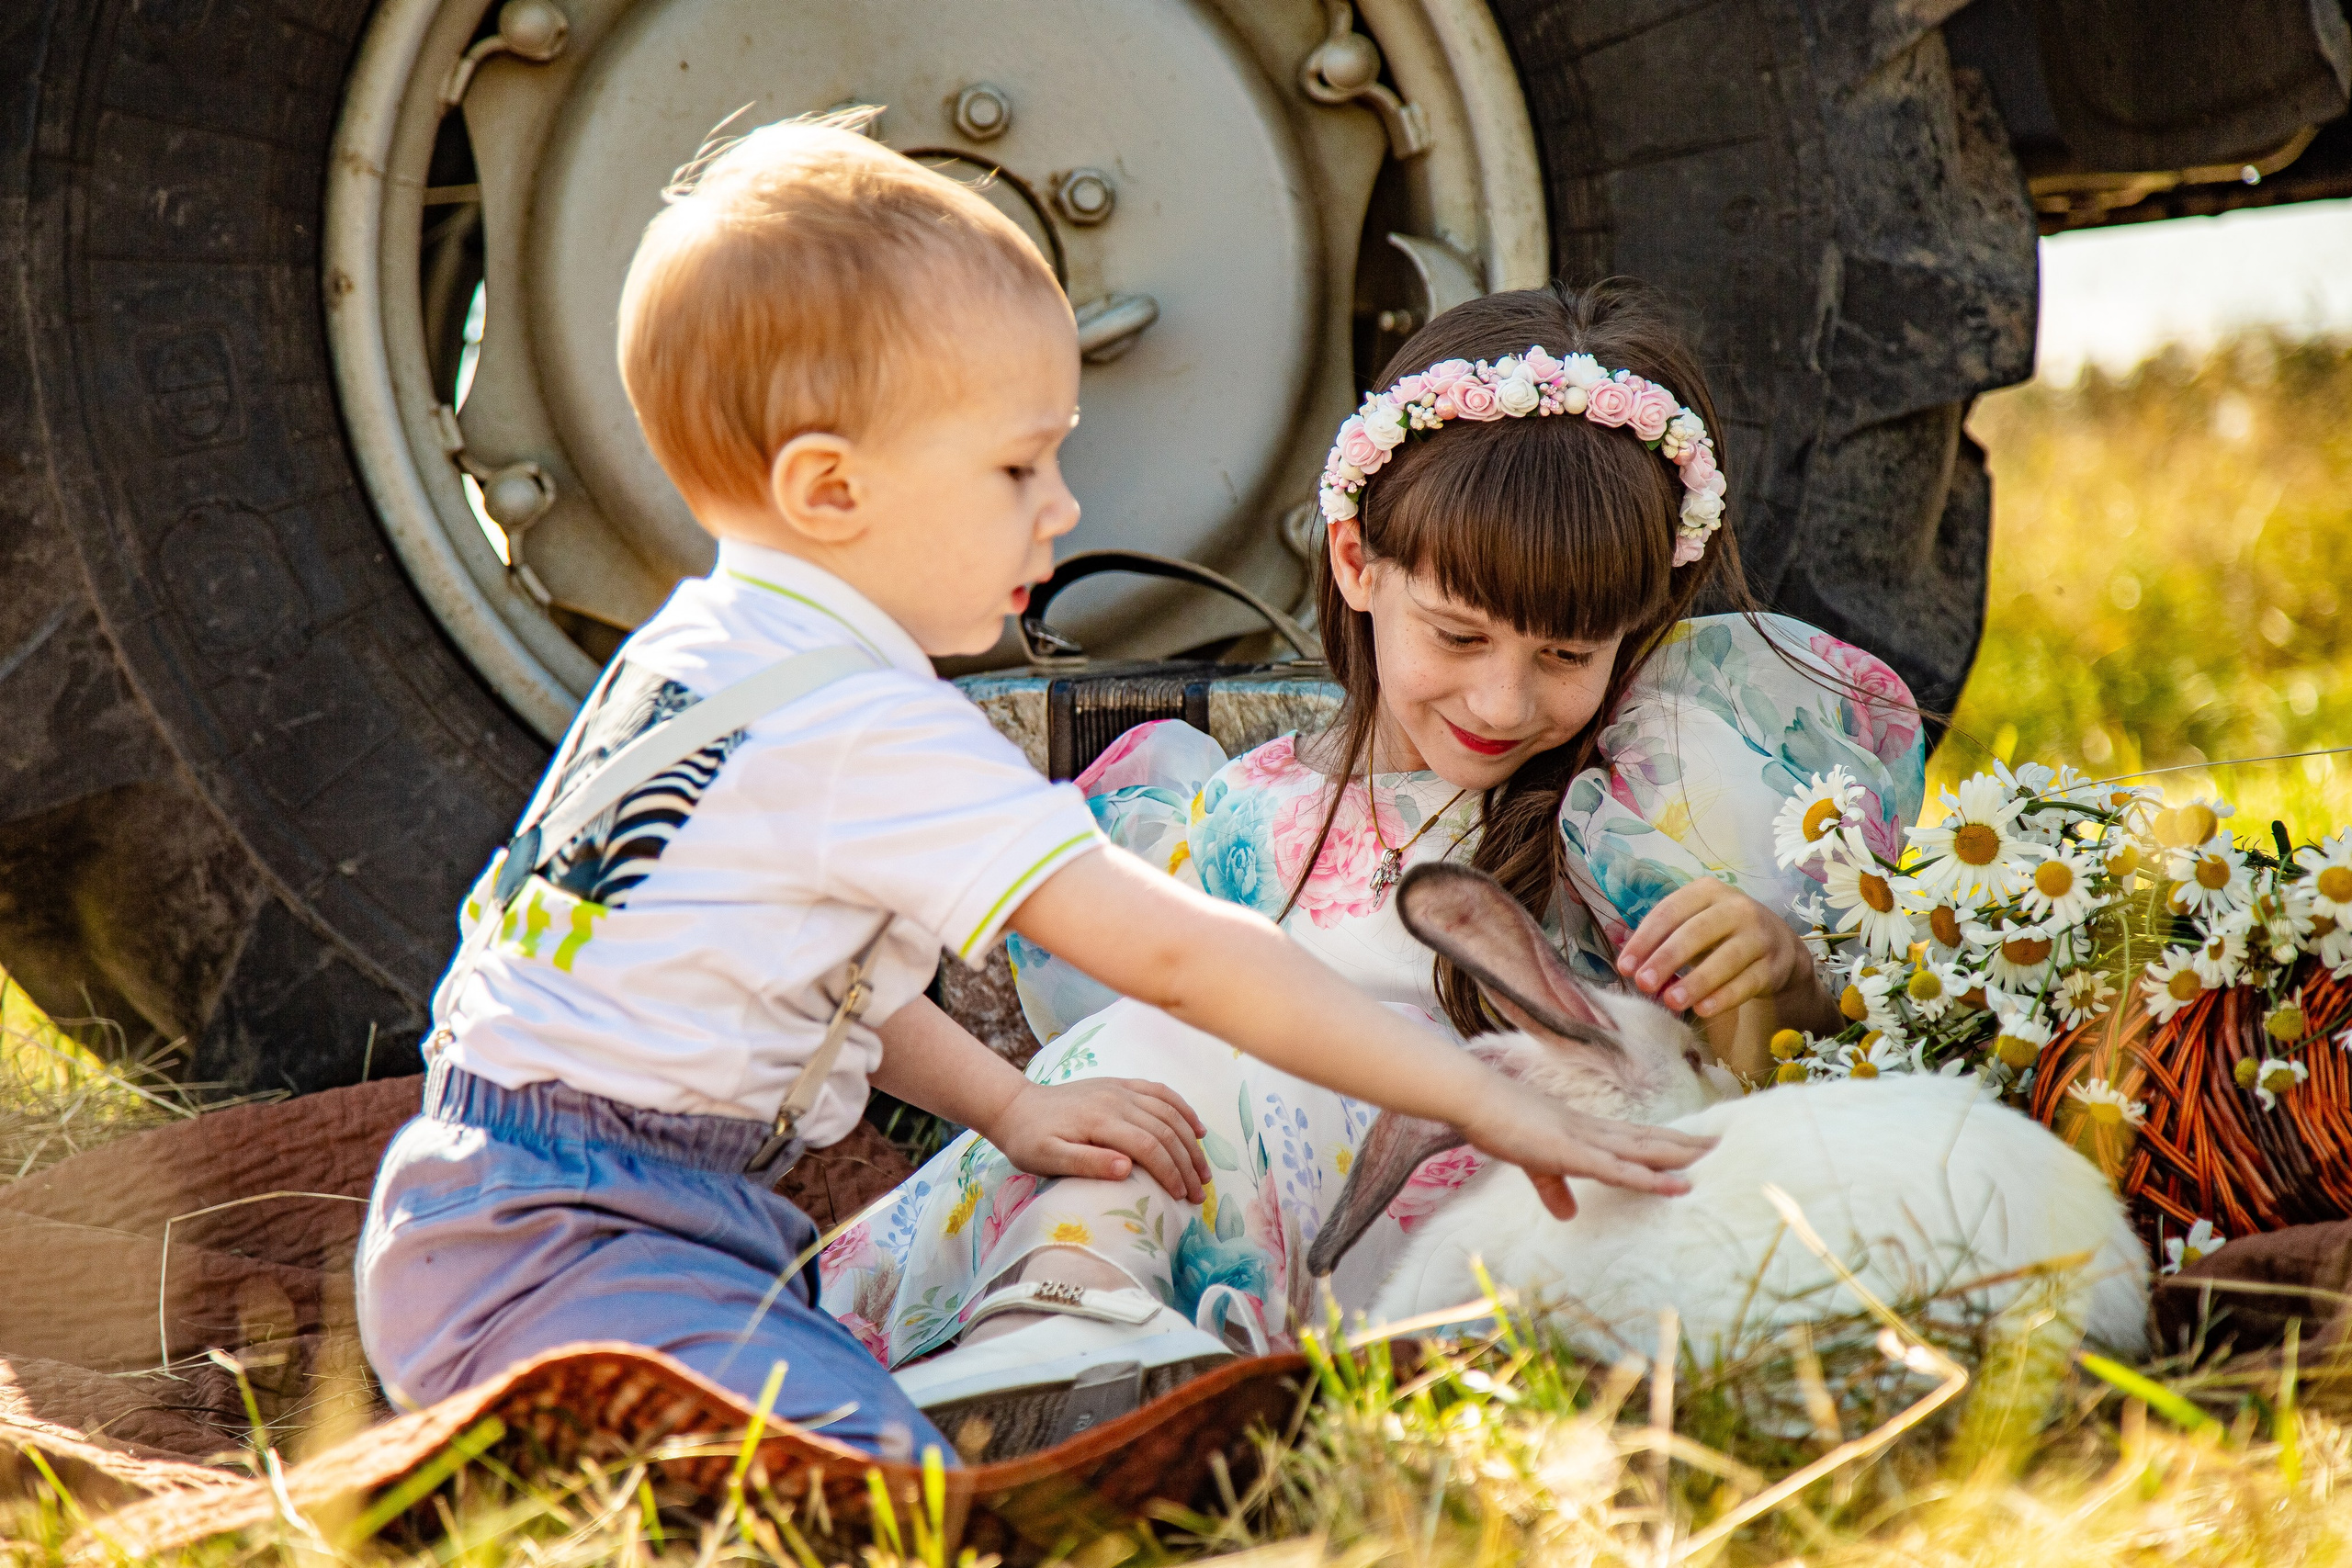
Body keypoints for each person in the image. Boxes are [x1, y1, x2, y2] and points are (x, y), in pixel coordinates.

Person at [353, 119, 1713, 1464]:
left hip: (499, 1197)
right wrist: (1479, 1096)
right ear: (830, 486)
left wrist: (1005, 1105)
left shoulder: (704, 653)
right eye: (1018, 465)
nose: (1061, 508)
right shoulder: (866, 722)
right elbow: (1177, 952)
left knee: (797, 1443)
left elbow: (838, 989)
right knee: (883, 1493)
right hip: (596, 1235)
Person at [824, 280, 1927, 1411]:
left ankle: (1085, 1341)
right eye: (1458, 635)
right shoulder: (1245, 814)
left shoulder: (1631, 797)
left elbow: (1767, 1083)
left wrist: (1783, 968)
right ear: (1356, 564)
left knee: (1250, 1044)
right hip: (1234, 1226)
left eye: (1565, 655)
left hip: (1506, 1234)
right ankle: (1062, 1329)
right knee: (1181, 1028)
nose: (1502, 700)